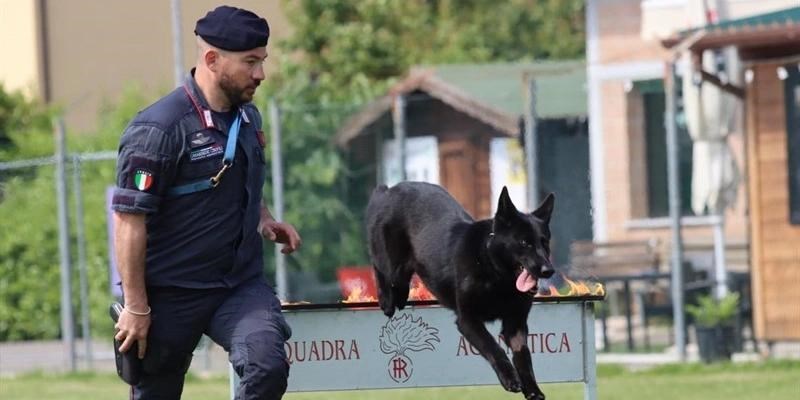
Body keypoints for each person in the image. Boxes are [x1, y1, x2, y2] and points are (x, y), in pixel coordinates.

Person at [111, 5, 301, 399]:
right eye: (250, 62)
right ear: (212, 59)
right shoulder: (159, 129)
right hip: (169, 293)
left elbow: (240, 180)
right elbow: (129, 221)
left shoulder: (248, 118)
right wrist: (136, 307)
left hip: (238, 286)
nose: (261, 74)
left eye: (262, 61)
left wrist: (264, 218)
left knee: (266, 365)